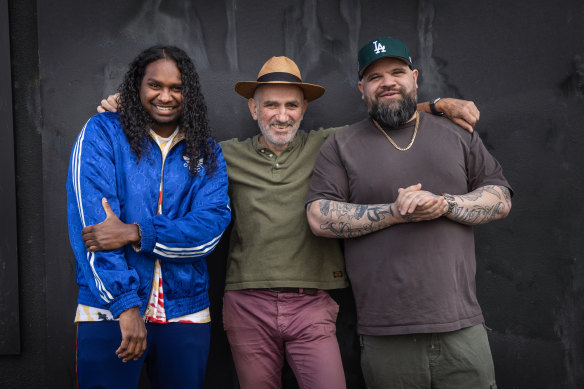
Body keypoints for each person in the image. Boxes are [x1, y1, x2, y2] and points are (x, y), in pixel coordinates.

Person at [98, 55, 479, 389]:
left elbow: (383, 118)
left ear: (304, 109)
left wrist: (439, 104)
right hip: (246, 300)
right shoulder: (223, 155)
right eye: (271, 105)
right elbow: (171, 139)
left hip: (312, 300)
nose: (282, 115)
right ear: (253, 109)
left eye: (292, 105)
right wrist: (125, 109)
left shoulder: (330, 145)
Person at [306, 36, 513, 389]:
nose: (387, 81)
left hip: (461, 327)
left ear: (415, 77)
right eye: (374, 77)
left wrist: (445, 204)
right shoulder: (341, 144)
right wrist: (394, 212)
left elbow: (500, 198)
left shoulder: (457, 133)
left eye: (397, 72)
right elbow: (319, 216)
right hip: (385, 333)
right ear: (361, 88)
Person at [68, 45, 231, 389]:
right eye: (155, 85)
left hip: (184, 312)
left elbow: (210, 227)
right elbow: (93, 227)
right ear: (137, 87)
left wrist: (136, 233)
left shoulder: (206, 151)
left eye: (177, 88)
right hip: (108, 311)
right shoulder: (103, 133)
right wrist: (126, 307)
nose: (166, 96)